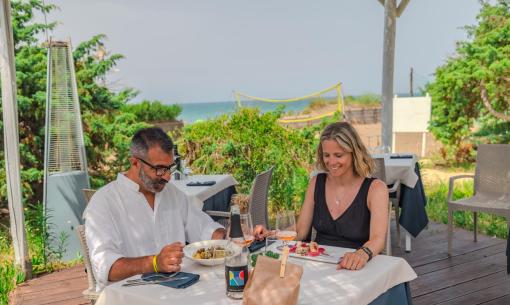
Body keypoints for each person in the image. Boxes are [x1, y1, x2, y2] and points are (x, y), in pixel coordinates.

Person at [84, 127, 229, 291]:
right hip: (130, 297)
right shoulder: (104, 202)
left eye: (169, 168)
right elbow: (106, 268)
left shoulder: (172, 193)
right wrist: (154, 263)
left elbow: (202, 227)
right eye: (159, 168)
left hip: (179, 290)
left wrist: (231, 237)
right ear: (135, 163)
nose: (167, 177)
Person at [296, 121, 389, 271]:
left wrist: (361, 254)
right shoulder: (316, 182)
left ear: (354, 153)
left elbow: (378, 239)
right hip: (318, 265)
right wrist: (274, 234)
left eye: (338, 155)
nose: (331, 162)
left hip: (357, 267)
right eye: (326, 155)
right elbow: (300, 231)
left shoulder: (375, 189)